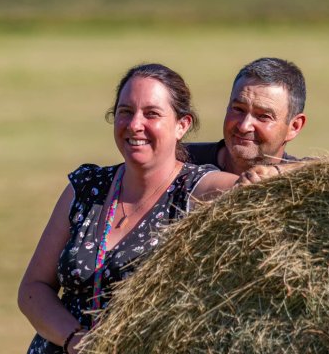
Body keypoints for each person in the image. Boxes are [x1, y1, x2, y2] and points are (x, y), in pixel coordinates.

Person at [18, 63, 239, 354]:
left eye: (151, 114)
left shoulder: (198, 191)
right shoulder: (86, 187)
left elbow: (273, 188)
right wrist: (75, 340)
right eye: (125, 111)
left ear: (182, 125)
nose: (135, 124)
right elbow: (33, 288)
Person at [186, 57, 308, 182]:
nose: (244, 126)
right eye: (238, 109)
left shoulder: (304, 186)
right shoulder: (180, 162)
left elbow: (326, 168)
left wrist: (281, 172)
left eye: (263, 116)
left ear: (294, 127)